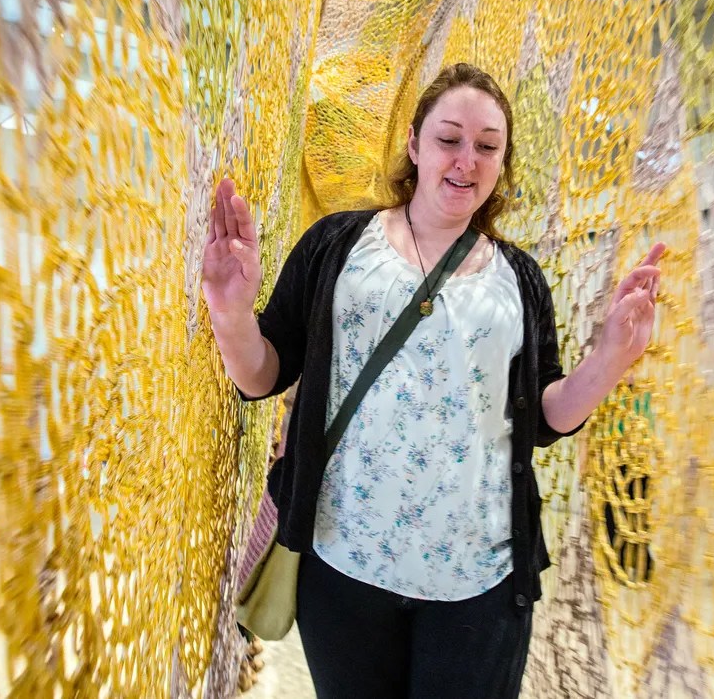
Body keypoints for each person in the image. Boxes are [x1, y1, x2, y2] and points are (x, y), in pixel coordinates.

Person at [202, 63, 664, 699]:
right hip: (344, 572)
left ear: (502, 163)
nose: (465, 160)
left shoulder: (519, 282)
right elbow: (264, 373)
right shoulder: (338, 245)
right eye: (449, 138)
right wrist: (229, 313)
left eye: (487, 146)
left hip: (479, 586)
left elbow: (545, 418)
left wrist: (610, 357)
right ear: (415, 145)